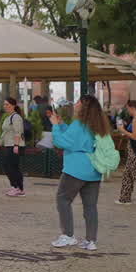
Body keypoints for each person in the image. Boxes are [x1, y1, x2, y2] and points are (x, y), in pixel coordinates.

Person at [49, 94, 110, 251]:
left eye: (78, 102)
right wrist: (62, 125)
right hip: (94, 170)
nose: (75, 104)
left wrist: (55, 126)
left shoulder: (79, 124)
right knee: (90, 206)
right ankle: (91, 240)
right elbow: (74, 138)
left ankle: (68, 236)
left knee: (62, 199)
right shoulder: (96, 125)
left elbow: (61, 142)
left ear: (83, 107)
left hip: (75, 169)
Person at [0, 97, 27, 197]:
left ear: (13, 105)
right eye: (4, 104)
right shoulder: (7, 118)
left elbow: (18, 132)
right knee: (10, 166)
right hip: (8, 145)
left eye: (7, 104)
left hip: (14, 146)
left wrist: (16, 145)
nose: (5, 106)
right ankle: (18, 188)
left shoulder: (16, 117)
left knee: (11, 167)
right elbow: (5, 132)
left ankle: (16, 187)